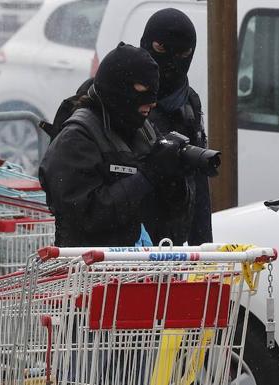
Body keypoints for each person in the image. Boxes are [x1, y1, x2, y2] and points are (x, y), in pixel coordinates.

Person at [39, 42, 186, 247]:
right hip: (88, 271)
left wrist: (175, 176)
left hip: (135, 266)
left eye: (155, 92)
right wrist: (146, 176)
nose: (151, 103)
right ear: (118, 88)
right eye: (143, 90)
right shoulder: (75, 140)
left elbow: (169, 209)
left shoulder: (141, 129)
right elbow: (86, 215)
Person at [140, 8, 213, 246]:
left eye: (182, 53)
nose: (170, 63)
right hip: (125, 245)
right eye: (161, 49)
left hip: (173, 242)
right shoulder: (120, 95)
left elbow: (200, 185)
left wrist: (202, 253)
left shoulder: (189, 103)